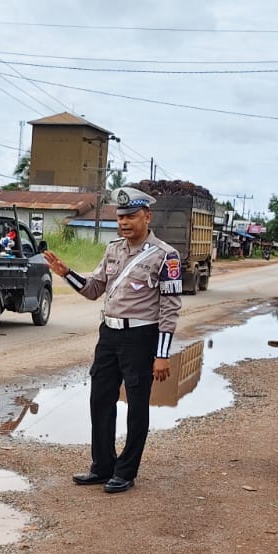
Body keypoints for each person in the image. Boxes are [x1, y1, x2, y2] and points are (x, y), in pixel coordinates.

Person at [41, 186, 182, 494]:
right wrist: (66, 273)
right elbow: (94, 289)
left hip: (140, 337)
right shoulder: (113, 250)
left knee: (136, 406)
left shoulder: (165, 256)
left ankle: (126, 471)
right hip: (109, 335)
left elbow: (170, 309)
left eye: (131, 216)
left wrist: (162, 355)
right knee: (101, 400)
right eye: (120, 217)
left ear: (147, 216)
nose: (124, 222)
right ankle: (102, 465)